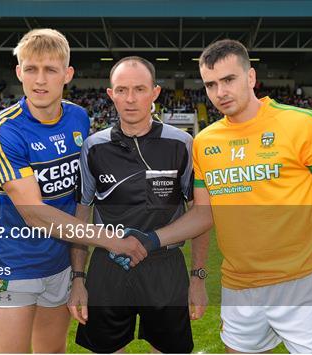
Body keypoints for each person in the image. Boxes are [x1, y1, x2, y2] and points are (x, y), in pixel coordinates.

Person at [124, 39, 312, 353]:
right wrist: (150, 240)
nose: (220, 92)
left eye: (228, 80)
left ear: (250, 77)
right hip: (239, 288)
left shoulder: (302, 124)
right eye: (211, 84)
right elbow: (202, 214)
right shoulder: (205, 142)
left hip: (302, 284)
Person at [0, 29, 147, 354]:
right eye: (31, 69)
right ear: (19, 72)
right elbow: (34, 212)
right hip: (15, 264)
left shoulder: (78, 118)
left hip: (61, 263)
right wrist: (112, 239)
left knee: (53, 351)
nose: (39, 80)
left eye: (50, 70)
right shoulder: (2, 129)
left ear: (67, 75)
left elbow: (84, 192)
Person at [68, 56, 210, 353]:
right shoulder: (93, 147)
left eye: (139, 89)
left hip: (165, 269)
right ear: (110, 94)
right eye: (121, 90)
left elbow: (201, 213)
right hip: (108, 268)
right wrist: (78, 279)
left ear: (155, 92)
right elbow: (82, 213)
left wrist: (197, 278)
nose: (130, 99)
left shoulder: (182, 144)